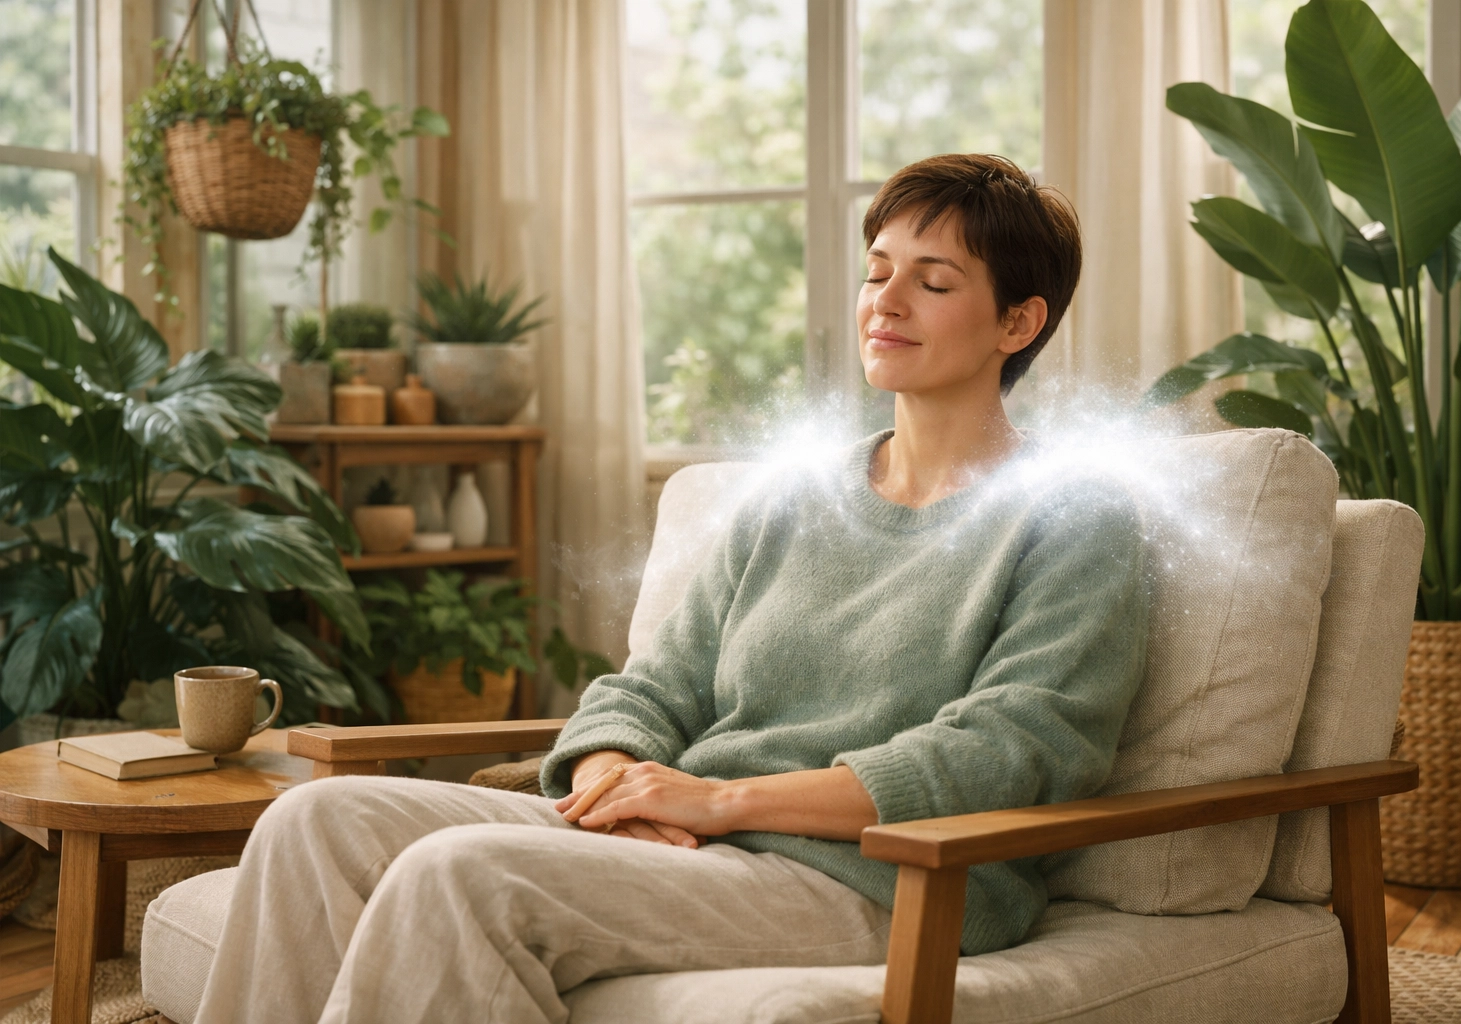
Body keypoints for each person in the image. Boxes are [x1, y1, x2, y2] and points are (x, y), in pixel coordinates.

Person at [192, 154, 1151, 1024]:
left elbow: (1011, 753)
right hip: (693, 839)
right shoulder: (794, 501)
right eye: (876, 270)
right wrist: (620, 782)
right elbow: (651, 686)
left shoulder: (1077, 522)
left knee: (462, 875)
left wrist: (720, 803)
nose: (884, 301)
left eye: (932, 281)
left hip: (878, 879)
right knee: (315, 818)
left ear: (1018, 322)